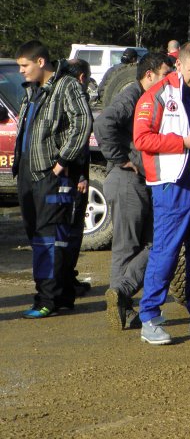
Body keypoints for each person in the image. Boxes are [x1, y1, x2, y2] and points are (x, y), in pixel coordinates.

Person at [134, 41, 190, 345]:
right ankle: (150, 315)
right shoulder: (156, 95)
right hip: (172, 184)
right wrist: (183, 142)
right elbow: (142, 139)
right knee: (166, 252)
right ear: (179, 65)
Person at [12, 41, 93, 318]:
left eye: (25, 65)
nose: (21, 71)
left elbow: (82, 121)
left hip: (50, 175)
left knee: (49, 238)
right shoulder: (32, 91)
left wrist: (63, 162)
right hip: (28, 174)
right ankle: (59, 296)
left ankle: (47, 299)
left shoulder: (66, 86)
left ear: (41, 62)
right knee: (39, 236)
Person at [95, 51, 173, 330]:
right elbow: (103, 123)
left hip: (138, 181)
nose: (170, 80)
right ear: (148, 75)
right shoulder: (132, 96)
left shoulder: (151, 98)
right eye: (166, 74)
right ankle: (121, 302)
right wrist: (121, 159)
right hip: (128, 179)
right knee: (129, 247)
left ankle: (121, 298)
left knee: (154, 243)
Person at [61, 58, 95, 299]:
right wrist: (82, 175)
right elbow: (79, 139)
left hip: (63, 173)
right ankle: (65, 281)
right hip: (72, 176)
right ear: (82, 78)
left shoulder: (55, 93)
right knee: (71, 231)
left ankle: (66, 278)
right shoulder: (75, 96)